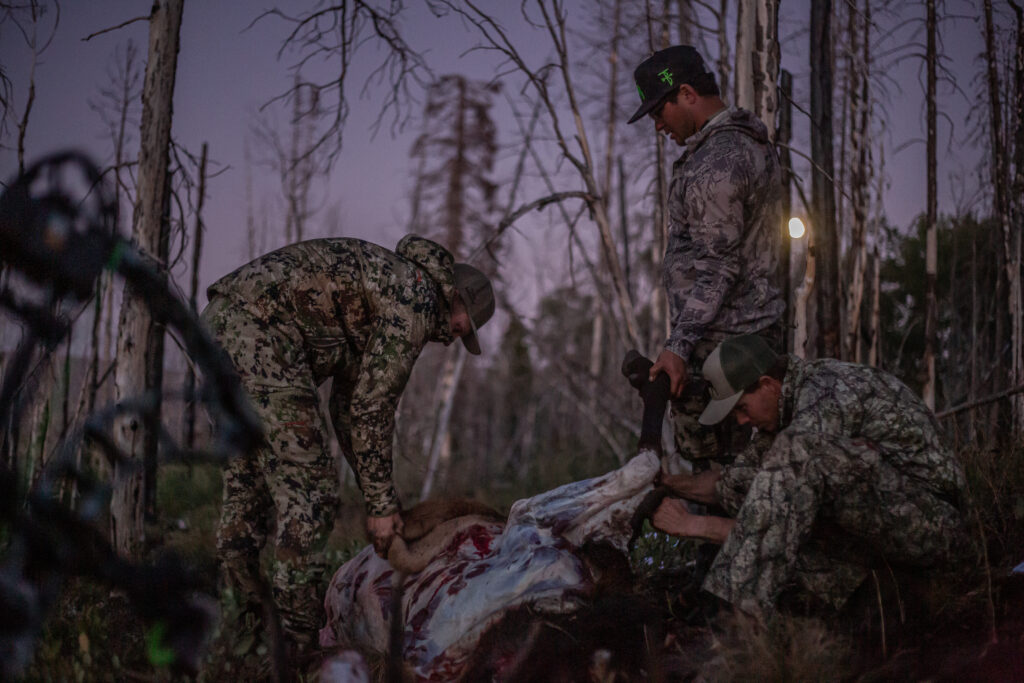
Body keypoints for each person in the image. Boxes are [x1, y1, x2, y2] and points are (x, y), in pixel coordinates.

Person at [200, 234, 495, 655]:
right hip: (260, 332)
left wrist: (380, 497)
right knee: (311, 493)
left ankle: (239, 630)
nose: (456, 336)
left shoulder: (393, 288)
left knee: (248, 484)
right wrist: (380, 507)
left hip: (221, 324)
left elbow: (348, 407)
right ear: (458, 300)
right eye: (466, 325)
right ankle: (297, 646)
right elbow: (373, 408)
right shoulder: (415, 299)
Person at [651, 334, 970, 616]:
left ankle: (737, 637)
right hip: (887, 526)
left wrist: (695, 525)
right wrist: (663, 484)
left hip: (935, 526)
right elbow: (732, 483)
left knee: (788, 489)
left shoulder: (824, 395)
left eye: (742, 408)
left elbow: (783, 510)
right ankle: (875, 596)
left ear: (767, 385)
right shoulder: (784, 410)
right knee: (754, 486)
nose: (741, 421)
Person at [627, 45, 785, 463]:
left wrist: (678, 348)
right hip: (741, 341)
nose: (658, 126)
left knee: (723, 473)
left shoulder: (717, 162)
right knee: (741, 471)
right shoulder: (747, 146)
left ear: (687, 94)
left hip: (727, 355)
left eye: (660, 112)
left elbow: (717, 267)